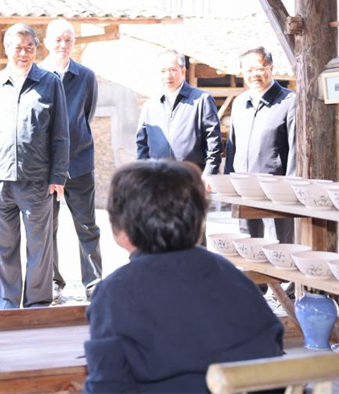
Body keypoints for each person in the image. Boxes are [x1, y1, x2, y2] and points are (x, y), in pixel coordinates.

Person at [84, 160, 283, 394]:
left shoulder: (114, 293)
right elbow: (271, 348)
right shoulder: (233, 277)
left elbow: (106, 386)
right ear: (199, 221)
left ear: (121, 226)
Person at [0, 24, 69, 310]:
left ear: (36, 50)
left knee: (40, 248)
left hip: (37, 180)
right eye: (18, 47)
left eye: (29, 47)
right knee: (4, 247)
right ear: (6, 49)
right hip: (0, 181)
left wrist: (58, 176)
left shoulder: (50, 83)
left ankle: (37, 304)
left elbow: (61, 134)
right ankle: (7, 304)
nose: (24, 53)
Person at [38, 19, 102, 303]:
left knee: (87, 224)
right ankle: (52, 282)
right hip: (45, 166)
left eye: (69, 40)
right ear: (47, 42)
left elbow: (85, 116)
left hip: (79, 163)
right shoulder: (37, 74)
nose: (63, 45)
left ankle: (94, 282)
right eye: (58, 40)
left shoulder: (86, 76)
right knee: (46, 226)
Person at [225, 47, 296, 244]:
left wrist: (291, 186)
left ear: (271, 68)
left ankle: (283, 277)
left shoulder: (288, 101)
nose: (254, 74)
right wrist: (229, 179)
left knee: (280, 244)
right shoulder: (240, 102)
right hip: (244, 187)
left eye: (260, 68)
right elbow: (232, 146)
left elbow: (296, 149)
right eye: (248, 70)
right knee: (248, 243)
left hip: (276, 187)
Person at [136, 49, 222, 175]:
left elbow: (214, 142)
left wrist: (209, 174)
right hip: (158, 178)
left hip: (192, 177)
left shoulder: (201, 100)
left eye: (172, 70)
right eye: (163, 71)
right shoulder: (150, 105)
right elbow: (142, 145)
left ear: (183, 71)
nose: (167, 75)